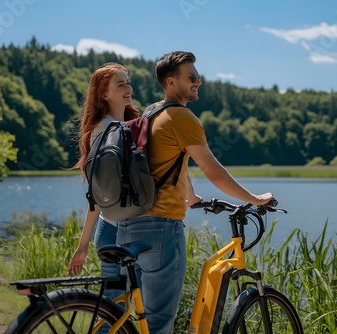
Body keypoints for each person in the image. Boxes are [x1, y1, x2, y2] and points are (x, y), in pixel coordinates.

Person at [116, 51, 275, 334]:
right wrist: (255, 199)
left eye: (198, 76)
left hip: (129, 225)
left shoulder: (152, 113)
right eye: (191, 77)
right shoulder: (181, 117)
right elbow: (213, 171)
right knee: (158, 323)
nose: (198, 82)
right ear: (170, 82)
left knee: (133, 320)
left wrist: (190, 196)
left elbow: (173, 162)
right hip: (161, 228)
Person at [67, 62, 139, 332]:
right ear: (103, 94)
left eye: (128, 82)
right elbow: (98, 196)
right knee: (115, 311)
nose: (128, 89)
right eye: (120, 85)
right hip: (117, 232)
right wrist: (82, 246)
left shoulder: (126, 125)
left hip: (113, 230)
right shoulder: (106, 130)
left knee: (116, 309)